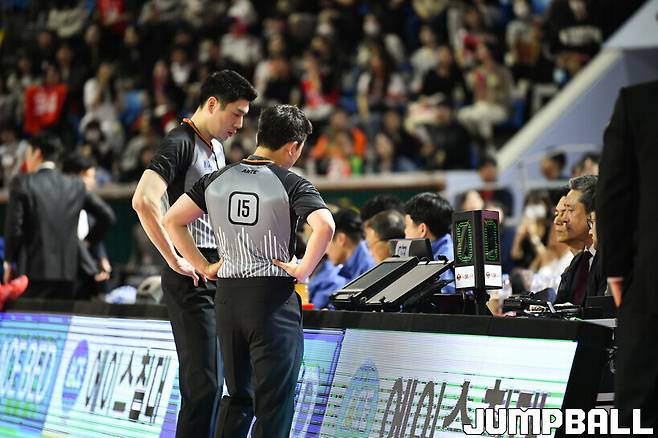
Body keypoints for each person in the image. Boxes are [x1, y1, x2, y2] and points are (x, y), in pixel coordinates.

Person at [163, 104, 334, 438]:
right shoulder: (291, 182)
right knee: (274, 404)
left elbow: (172, 220)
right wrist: (302, 270)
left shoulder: (216, 178)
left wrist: (203, 266)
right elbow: (325, 225)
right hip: (271, 302)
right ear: (293, 146)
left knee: (238, 397)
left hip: (227, 299)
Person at [132, 70, 257, 438]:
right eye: (236, 114)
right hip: (190, 275)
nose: (240, 124)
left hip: (216, 271)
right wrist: (174, 258)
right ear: (213, 104)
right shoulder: (179, 142)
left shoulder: (216, 148)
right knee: (203, 386)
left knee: (220, 386)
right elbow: (143, 200)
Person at [597, 81, 658, 430]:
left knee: (640, 416)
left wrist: (617, 272)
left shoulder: (639, 103)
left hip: (650, 291)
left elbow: (613, 197)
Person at [3, 133, 114, 298]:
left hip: (31, 274)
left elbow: (14, 228)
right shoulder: (75, 185)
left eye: (27, 154)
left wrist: (9, 262)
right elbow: (107, 216)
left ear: (37, 153)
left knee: (32, 315)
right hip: (70, 275)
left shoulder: (22, 182)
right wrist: (88, 241)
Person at [308, 208, 375, 308]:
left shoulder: (368, 269)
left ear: (340, 239)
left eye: (326, 242)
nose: (325, 251)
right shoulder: (358, 265)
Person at [554, 175, 605, 305]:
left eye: (570, 210)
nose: (563, 219)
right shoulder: (577, 263)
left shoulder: (610, 261)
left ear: (592, 214)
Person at [404, 192, 455, 293]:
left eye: (407, 226)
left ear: (422, 229)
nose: (405, 232)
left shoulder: (444, 264)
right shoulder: (447, 252)